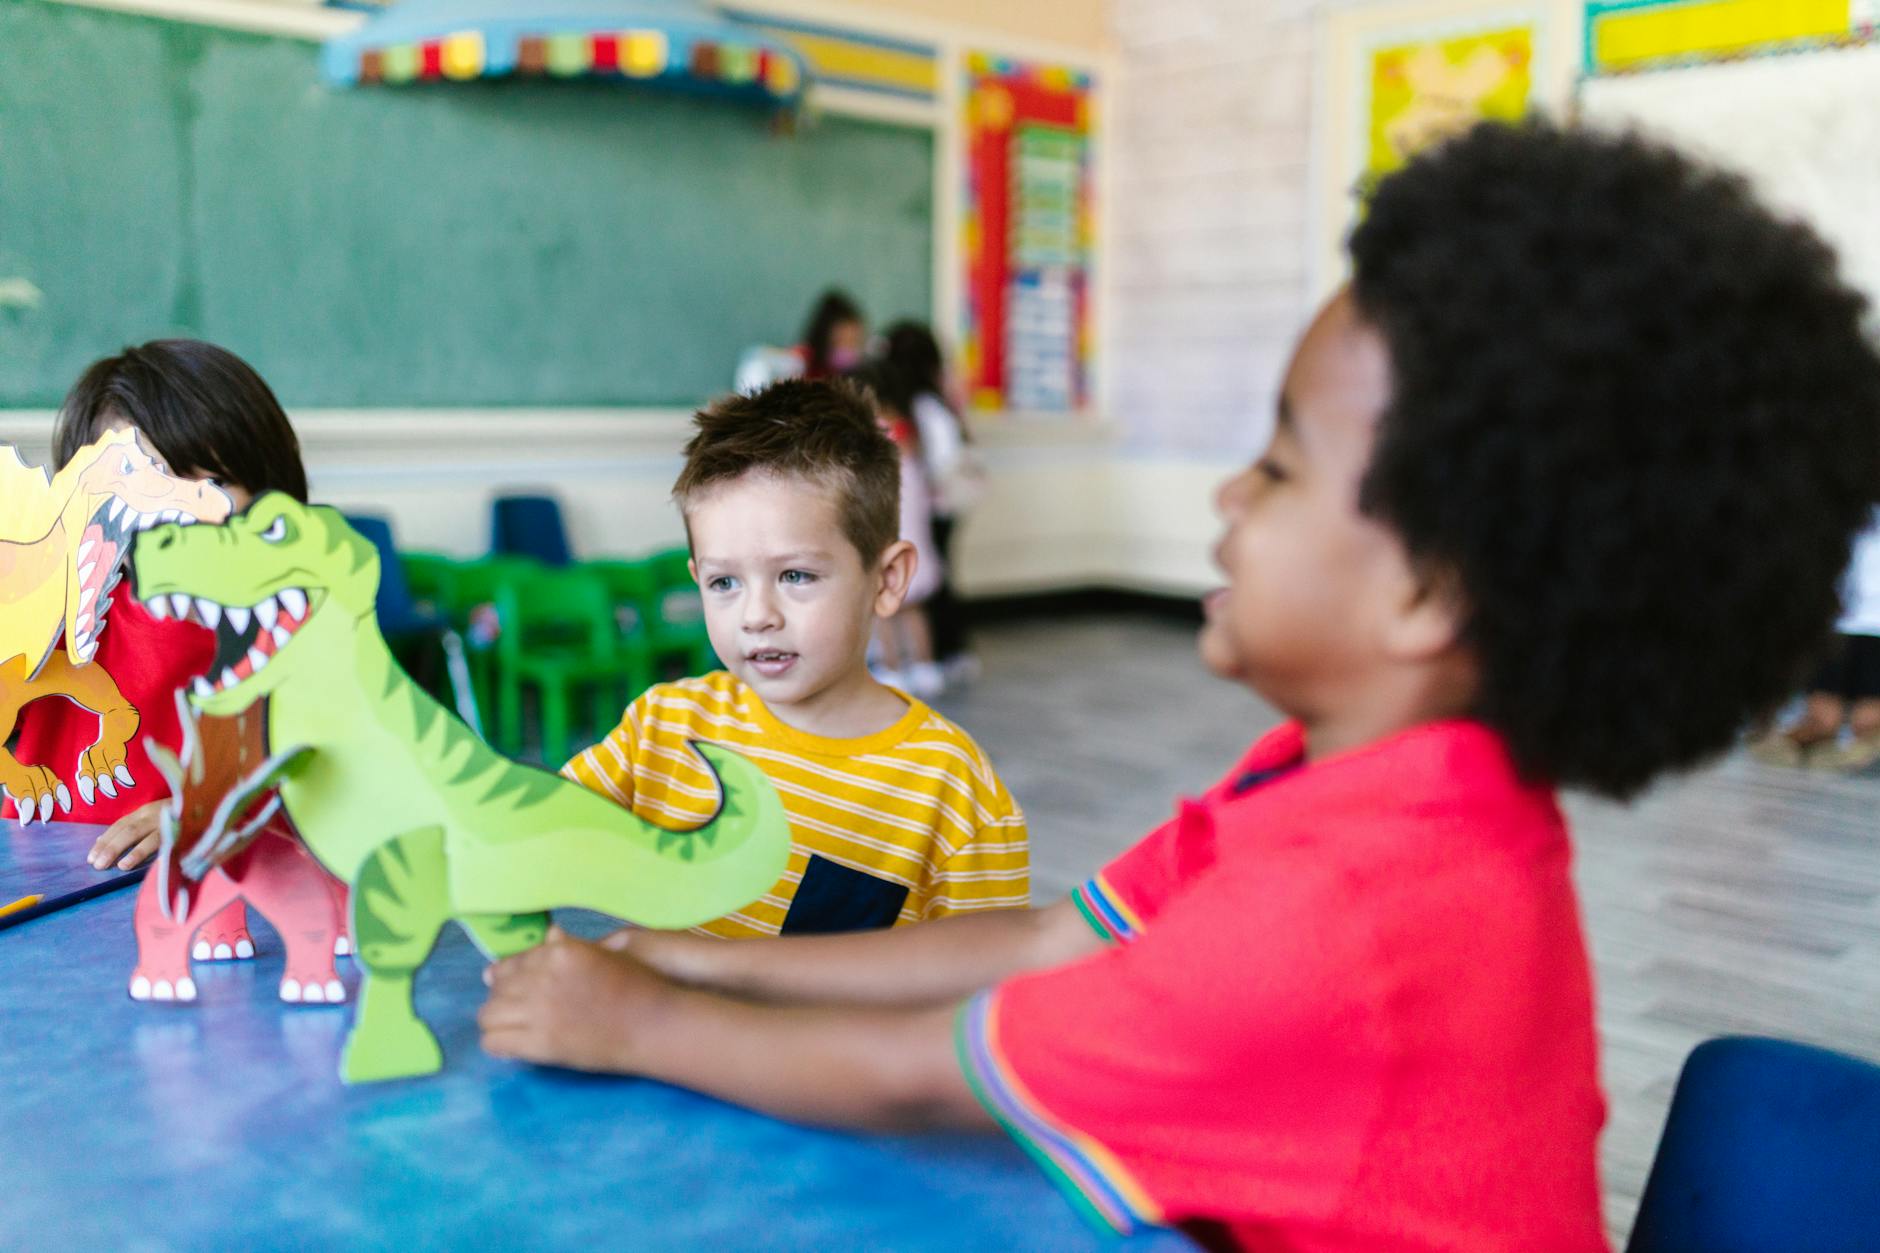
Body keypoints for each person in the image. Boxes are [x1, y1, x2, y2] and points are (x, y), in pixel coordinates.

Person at [480, 121, 1880, 1248]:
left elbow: (946, 1073)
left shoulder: (1347, 914)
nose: (1225, 495)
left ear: (1426, 585)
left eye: (1275, 466)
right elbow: (1047, 943)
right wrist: (697, 955)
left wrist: (644, 1021)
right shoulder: (1352, 789)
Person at [561, 378, 1028, 936]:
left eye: (795, 575)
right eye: (724, 582)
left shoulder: (951, 791)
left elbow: (983, 991)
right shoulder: (661, 731)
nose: (757, 615)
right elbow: (535, 836)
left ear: (887, 579)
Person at [8, 340, 310, 953]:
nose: (183, 508)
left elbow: (339, 782)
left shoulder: (294, 624)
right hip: (40, 922)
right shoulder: (45, 611)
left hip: (222, 916)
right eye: (143, 476)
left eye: (218, 478)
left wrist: (220, 813)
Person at [883, 321, 982, 680]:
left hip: (933, 505)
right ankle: (940, 654)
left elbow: (942, 458)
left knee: (929, 584)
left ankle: (941, 654)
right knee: (935, 579)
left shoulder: (921, 404)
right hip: (941, 504)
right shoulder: (933, 398)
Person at [1751, 508, 1880, 770]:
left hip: (1868, 618)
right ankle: (1810, 740)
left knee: (1866, 719)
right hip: (1836, 609)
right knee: (1824, 714)